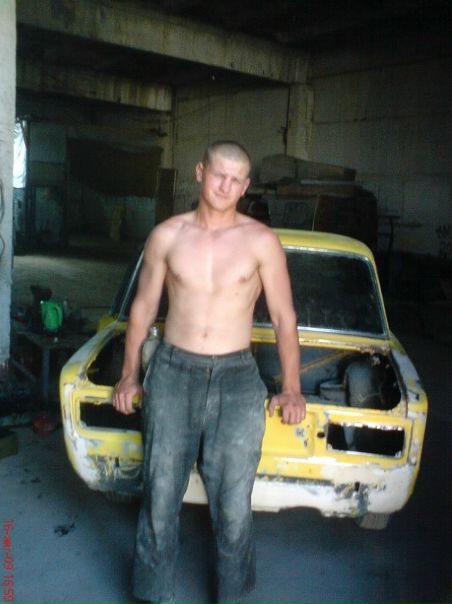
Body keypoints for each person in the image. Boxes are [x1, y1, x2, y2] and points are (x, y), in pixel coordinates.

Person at [113, 140, 306, 604]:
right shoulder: (167, 235)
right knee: (160, 493)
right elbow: (143, 308)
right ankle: (153, 593)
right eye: (219, 174)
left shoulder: (261, 241)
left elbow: (284, 317)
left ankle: (232, 595)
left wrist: (292, 387)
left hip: (237, 379)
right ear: (200, 172)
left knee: (233, 503)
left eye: (236, 180)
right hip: (173, 372)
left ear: (246, 186)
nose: (226, 186)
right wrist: (129, 374)